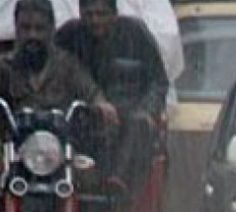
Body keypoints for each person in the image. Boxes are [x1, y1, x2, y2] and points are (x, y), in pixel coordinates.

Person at [56, 0, 169, 196]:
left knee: (138, 126)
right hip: (84, 119)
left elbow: (159, 81)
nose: (95, 21)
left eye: (101, 14)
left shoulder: (136, 34)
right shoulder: (69, 36)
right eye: (89, 15)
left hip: (130, 120)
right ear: (81, 13)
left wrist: (148, 110)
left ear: (114, 14)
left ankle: (117, 189)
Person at [0, 0, 117, 122]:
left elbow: (91, 93)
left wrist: (102, 107)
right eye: (26, 28)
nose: (32, 35)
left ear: (51, 29)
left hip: (57, 138)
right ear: (16, 28)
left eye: (39, 29)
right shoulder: (4, 68)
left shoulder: (67, 66)